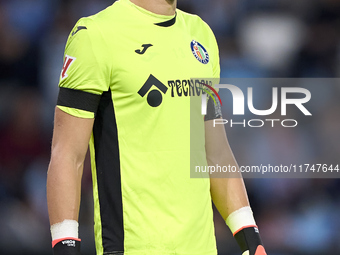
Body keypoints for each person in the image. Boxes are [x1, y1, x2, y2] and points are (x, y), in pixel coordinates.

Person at [46, 0, 267, 254]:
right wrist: (65, 246)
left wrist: (251, 239)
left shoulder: (200, 33)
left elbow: (215, 152)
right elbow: (67, 155)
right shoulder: (96, 35)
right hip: (132, 247)